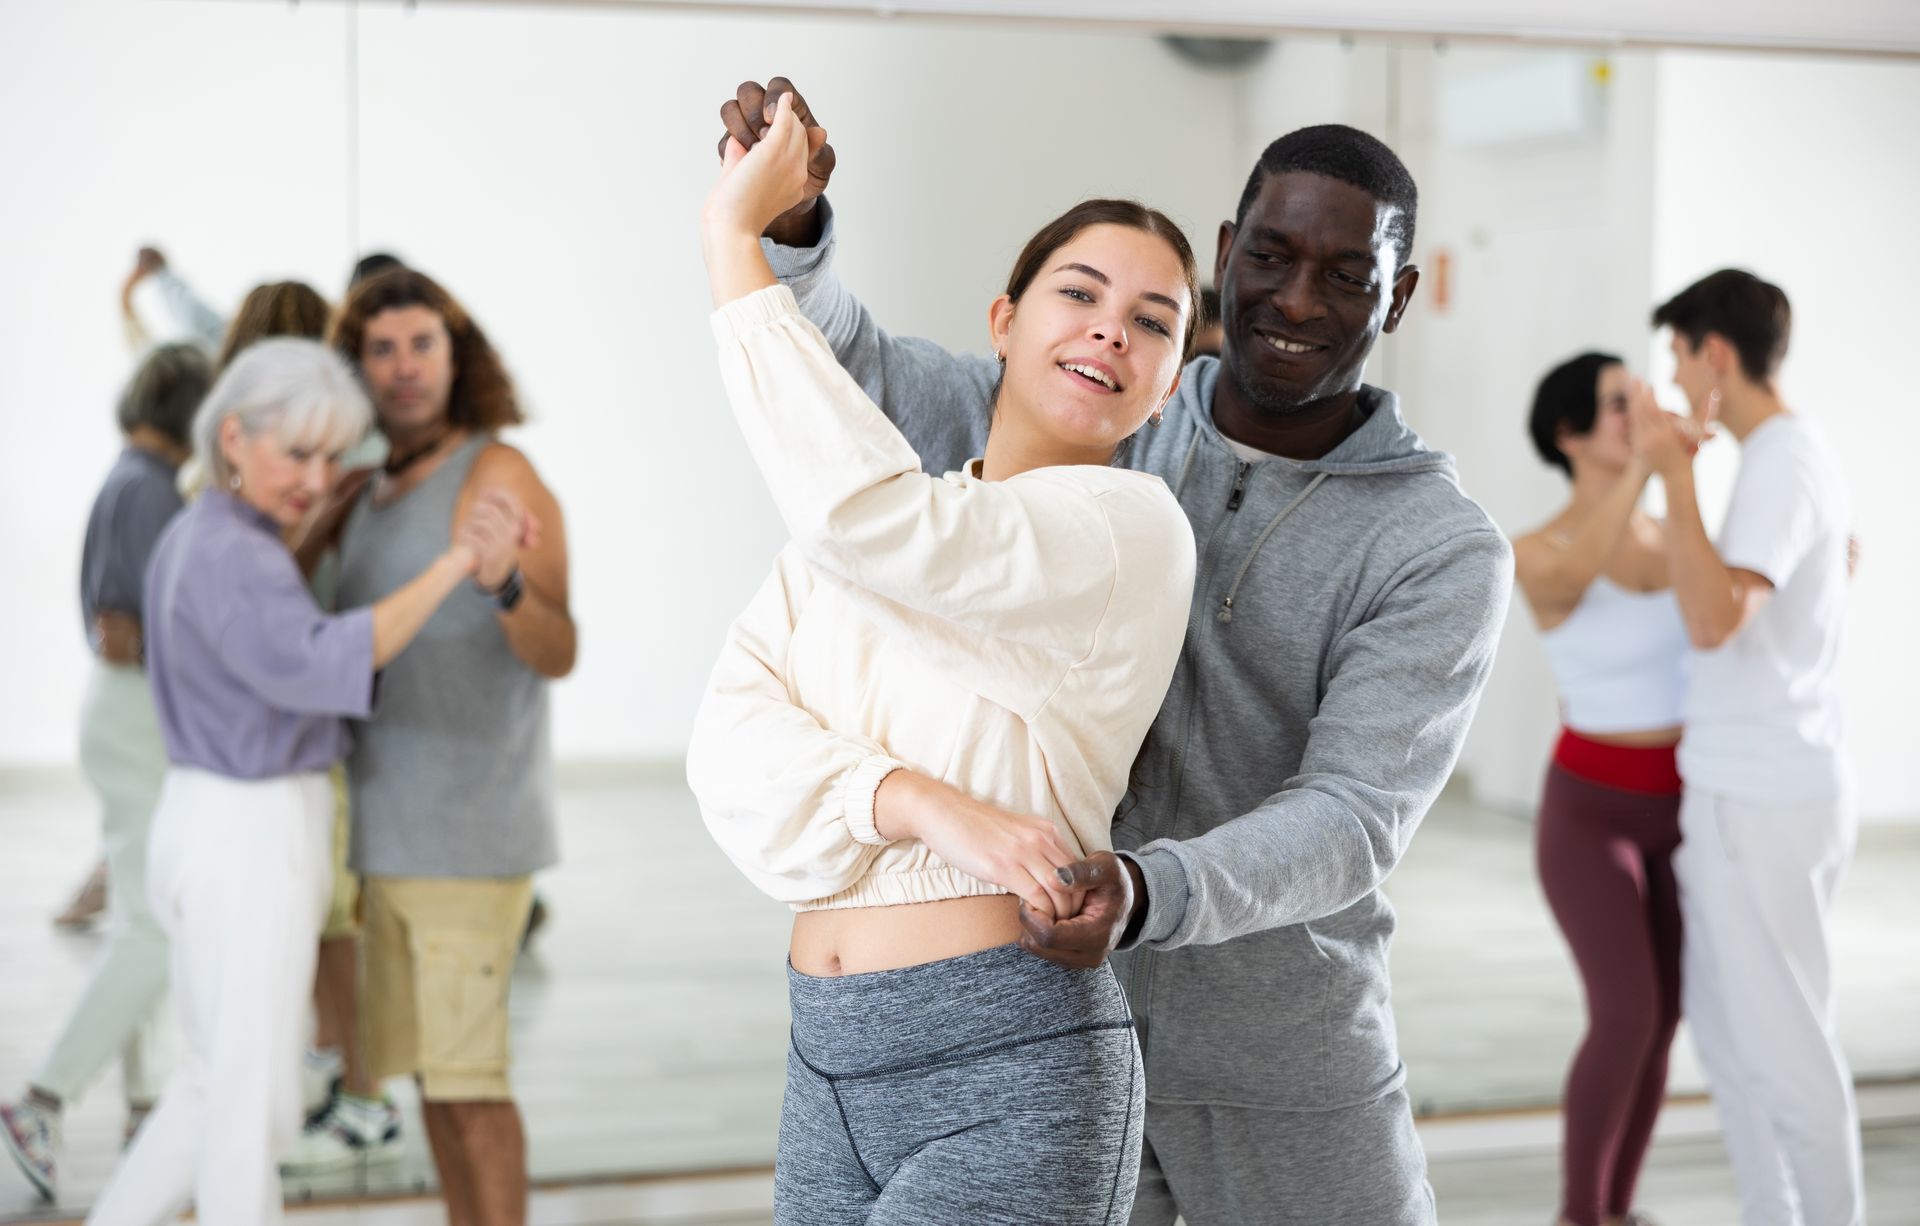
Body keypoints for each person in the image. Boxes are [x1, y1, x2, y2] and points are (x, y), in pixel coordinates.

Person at [716, 81, 1512, 1224]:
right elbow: (872, 376)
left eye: (1348, 274)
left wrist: (1150, 888)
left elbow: (1353, 815)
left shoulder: (1437, 544)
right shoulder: (1101, 412)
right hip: (1039, 1016)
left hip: (1281, 1053)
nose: (1298, 299)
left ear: (1401, 296)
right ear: (1228, 255)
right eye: (1273, 257)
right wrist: (783, 229)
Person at [689, 96, 1198, 1224]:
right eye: (1080, 293)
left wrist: (736, 238)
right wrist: (916, 800)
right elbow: (729, 743)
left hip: (1009, 1060)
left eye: (1153, 321)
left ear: (1169, 380)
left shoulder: (1130, 529)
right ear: (1004, 320)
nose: (1112, 329)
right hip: (823, 1062)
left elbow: (871, 522)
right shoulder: (884, 521)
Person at [84, 338, 530, 1225]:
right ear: (235, 438)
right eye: (297, 453)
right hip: (248, 834)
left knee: (225, 1086)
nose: (316, 478)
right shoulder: (235, 555)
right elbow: (325, 657)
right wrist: (450, 568)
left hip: (210, 819)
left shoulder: (207, 534)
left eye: (331, 457)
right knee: (247, 1108)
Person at [330, 266, 575, 1226]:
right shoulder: (366, 489)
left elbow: (560, 648)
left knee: (473, 1090)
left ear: (455, 354)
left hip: (471, 844)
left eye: (421, 346)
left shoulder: (500, 473)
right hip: (385, 842)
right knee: (434, 1084)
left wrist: (508, 584)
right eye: (382, 350)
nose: (403, 369)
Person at [1636, 270, 1862, 1226]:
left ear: (1715, 353)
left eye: (1681, 358)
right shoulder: (1786, 462)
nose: (1679, 382)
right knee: (1733, 1045)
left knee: (1787, 1050)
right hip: (1740, 791)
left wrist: (1677, 472)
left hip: (1762, 799)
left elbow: (1717, 617)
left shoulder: (1781, 462)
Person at [1, 344, 213, 1200]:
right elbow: (132, 627)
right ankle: (41, 1099)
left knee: (141, 915)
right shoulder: (152, 492)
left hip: (120, 714)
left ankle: (142, 1106)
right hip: (137, 717)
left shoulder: (127, 478)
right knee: (160, 926)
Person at [1512, 353, 1700, 1226]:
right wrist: (1654, 468)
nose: (1642, 415)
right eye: (1621, 405)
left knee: (1663, 1022)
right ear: (1570, 434)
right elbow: (1583, 569)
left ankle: (1619, 1213)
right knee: (1625, 1013)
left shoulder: (1680, 537)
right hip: (1589, 815)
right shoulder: (1534, 551)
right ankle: (1578, 1218)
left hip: (1684, 809)